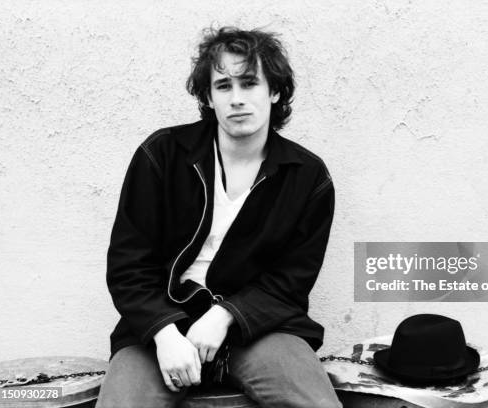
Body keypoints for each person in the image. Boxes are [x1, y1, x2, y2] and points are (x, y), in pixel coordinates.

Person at [95, 26, 340, 408]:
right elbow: (128, 266)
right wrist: (163, 333)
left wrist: (225, 315)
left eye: (249, 83)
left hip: (258, 328)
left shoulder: (307, 177)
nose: (237, 99)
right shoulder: (162, 154)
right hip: (163, 323)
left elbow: (291, 282)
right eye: (223, 86)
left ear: (274, 91)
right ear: (208, 97)